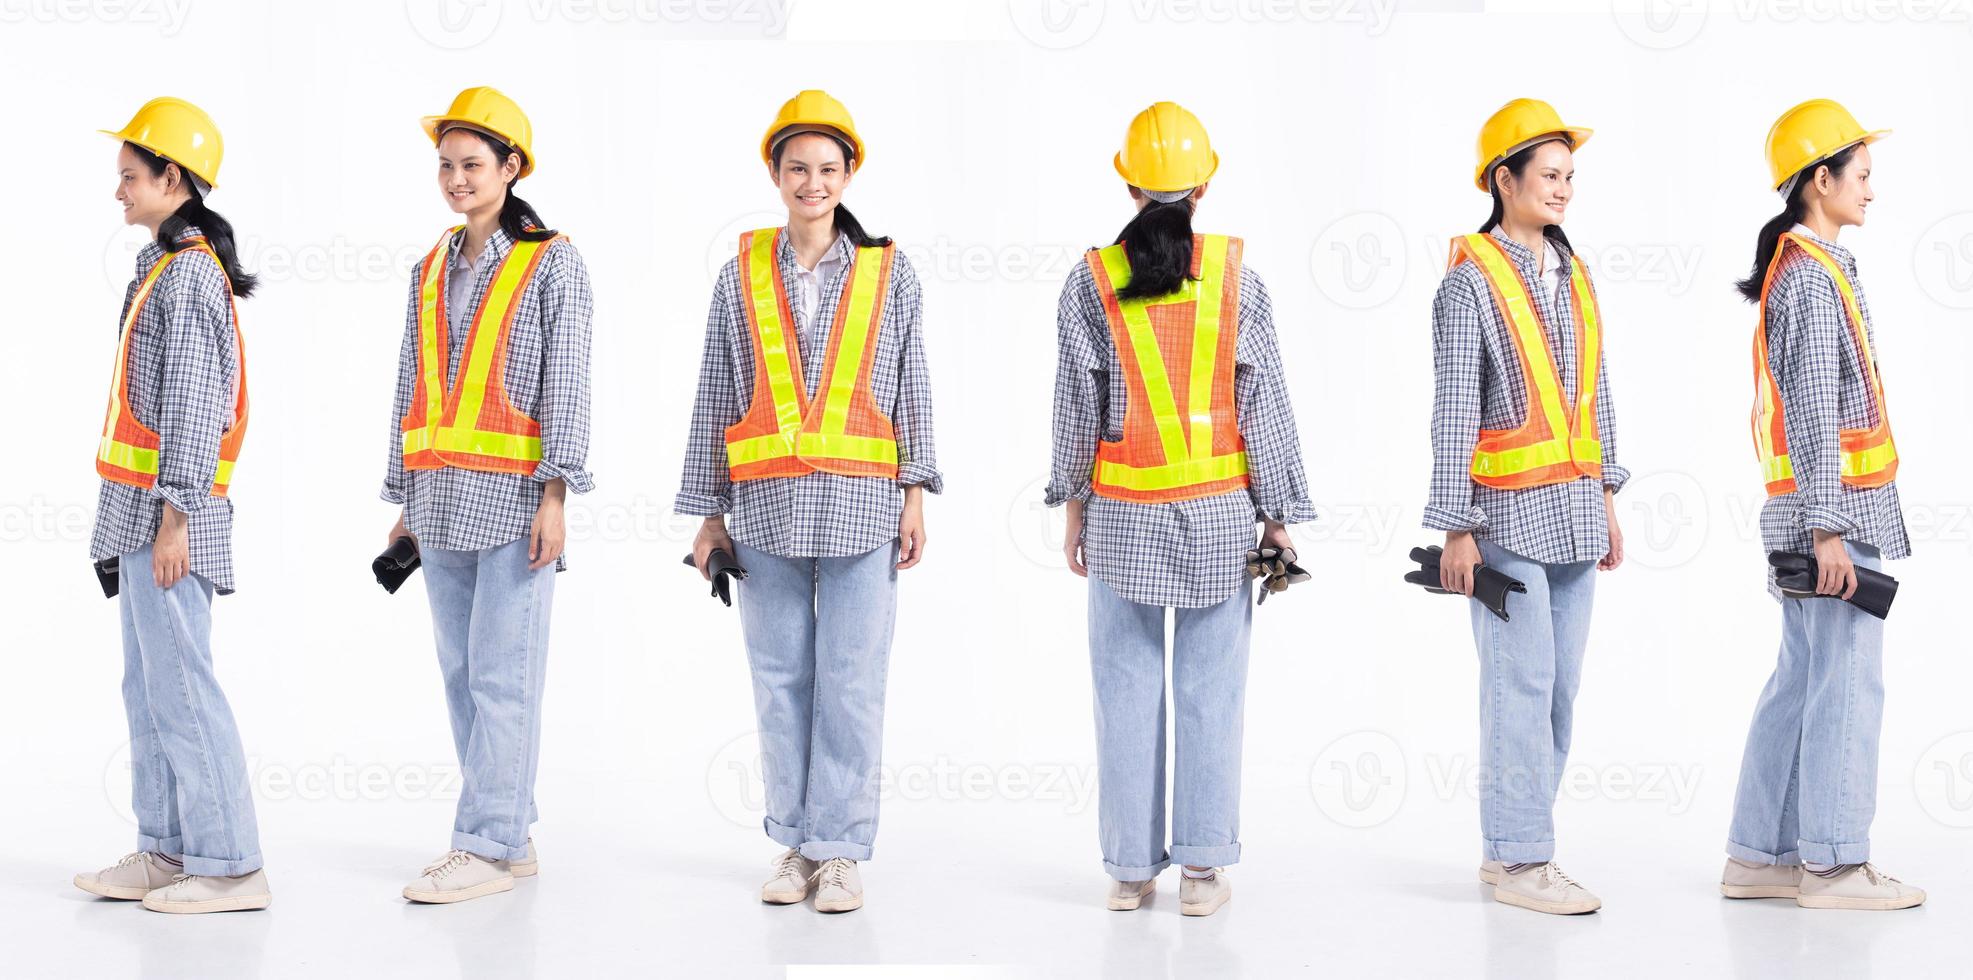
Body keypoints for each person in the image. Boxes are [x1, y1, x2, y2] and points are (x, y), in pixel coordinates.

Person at [1046, 101, 1315, 917]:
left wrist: (1072, 504)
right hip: (1219, 517)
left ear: (1127, 181)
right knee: (1211, 692)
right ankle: (1201, 870)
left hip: (1124, 513)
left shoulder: (1091, 279)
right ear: (1204, 183)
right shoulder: (1238, 277)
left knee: (1123, 691)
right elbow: (1263, 401)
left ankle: (1131, 868)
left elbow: (1076, 403)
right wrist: (1280, 513)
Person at [676, 89, 940, 914]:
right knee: (781, 678)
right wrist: (707, 512)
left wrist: (916, 492)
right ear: (774, 171)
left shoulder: (891, 271)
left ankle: (842, 850)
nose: (813, 183)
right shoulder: (740, 274)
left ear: (849, 173)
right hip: (765, 512)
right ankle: (795, 843)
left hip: (862, 507)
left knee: (852, 683)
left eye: (828, 169)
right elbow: (717, 387)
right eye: (798, 168)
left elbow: (911, 382)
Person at [384, 86, 595, 904]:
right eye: (446, 164)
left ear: (512, 167)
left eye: (473, 164)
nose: (456, 179)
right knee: (464, 673)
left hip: (512, 500)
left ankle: (483, 843)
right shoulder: (430, 265)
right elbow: (411, 383)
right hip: (438, 498)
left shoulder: (552, 261)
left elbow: (567, 382)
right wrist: (403, 492)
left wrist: (557, 494)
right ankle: (505, 833)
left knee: (504, 675)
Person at [1720, 98, 1923, 911]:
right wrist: (1828, 529)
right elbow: (1808, 410)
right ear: (1818, 180)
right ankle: (1834, 865)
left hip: (1818, 512)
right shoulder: (1807, 278)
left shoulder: (1814, 269)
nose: (1871, 190)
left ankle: (1760, 856)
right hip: (1832, 519)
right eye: (1861, 176)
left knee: (1804, 678)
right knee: (1843, 684)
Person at [1425, 99, 1627, 915]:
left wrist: (1608, 494)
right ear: (1501, 181)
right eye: (1548, 175)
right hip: (1503, 518)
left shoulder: (1573, 274)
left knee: (1555, 692)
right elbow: (1451, 410)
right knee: (1519, 683)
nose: (1563, 190)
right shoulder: (1468, 280)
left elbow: (1597, 391)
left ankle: (1510, 844)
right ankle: (1520, 861)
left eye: (1569, 176)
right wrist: (1455, 528)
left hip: (1576, 513)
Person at [73, 97, 271, 914]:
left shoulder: (188, 276)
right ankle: (167, 848)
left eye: (130, 177)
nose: (118, 191)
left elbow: (194, 407)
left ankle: (229, 864)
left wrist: (177, 519)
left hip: (169, 521)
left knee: (183, 685)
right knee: (149, 686)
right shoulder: (159, 267)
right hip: (138, 513)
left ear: (173, 179)